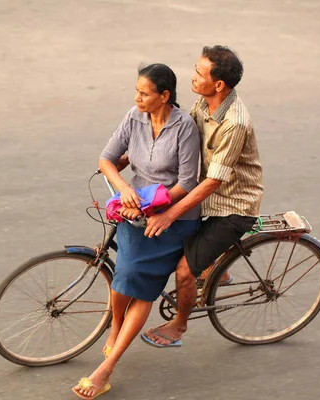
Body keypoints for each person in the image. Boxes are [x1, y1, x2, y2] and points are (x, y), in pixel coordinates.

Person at [72, 63, 201, 399]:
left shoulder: (183, 127)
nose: (138, 98)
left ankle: (105, 370)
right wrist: (122, 189)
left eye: (145, 93)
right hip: (134, 209)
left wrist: (146, 207)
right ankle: (116, 326)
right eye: (137, 91)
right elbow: (107, 159)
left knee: (139, 286)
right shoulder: (135, 116)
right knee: (121, 280)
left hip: (170, 217)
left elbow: (187, 183)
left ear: (164, 96)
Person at [141, 45, 264, 348]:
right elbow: (180, 129)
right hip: (207, 193)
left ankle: (179, 324)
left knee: (184, 271)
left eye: (199, 73)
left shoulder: (234, 122)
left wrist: (170, 212)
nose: (193, 77)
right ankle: (215, 269)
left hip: (232, 204)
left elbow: (213, 182)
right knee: (180, 244)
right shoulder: (204, 101)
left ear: (219, 84)